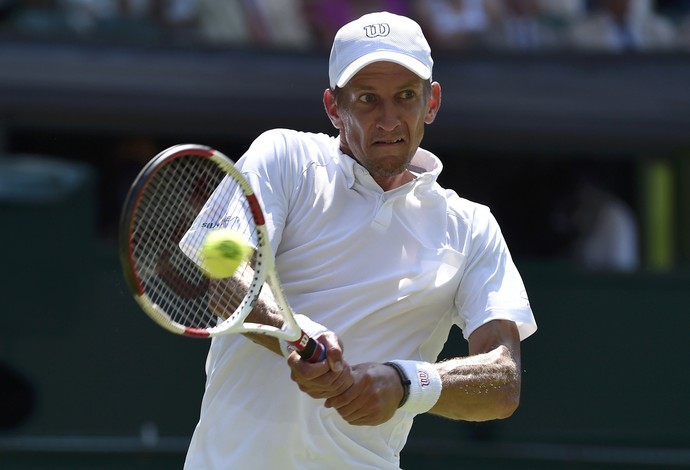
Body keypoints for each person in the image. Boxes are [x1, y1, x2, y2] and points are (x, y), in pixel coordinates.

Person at [182, 11, 537, 469]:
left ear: (432, 102)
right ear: (334, 107)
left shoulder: (471, 227)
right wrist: (294, 333)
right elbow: (228, 277)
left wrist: (407, 384)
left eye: (406, 97)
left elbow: (502, 382)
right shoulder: (284, 157)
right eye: (368, 99)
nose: (388, 120)